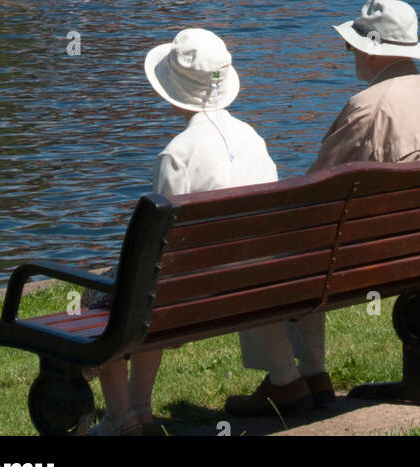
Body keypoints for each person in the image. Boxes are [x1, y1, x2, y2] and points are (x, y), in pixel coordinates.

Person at [225, 0, 420, 417]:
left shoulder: (369, 107)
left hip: (372, 259)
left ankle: (289, 378)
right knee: (313, 242)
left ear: (372, 48)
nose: (350, 52)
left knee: (279, 246)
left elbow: (314, 193)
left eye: (352, 45)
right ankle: (313, 374)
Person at [87, 29, 278, 435]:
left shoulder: (177, 153)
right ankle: (138, 408)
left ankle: (122, 414)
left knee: (103, 296)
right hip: (250, 285)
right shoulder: (254, 139)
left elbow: (160, 253)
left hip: (188, 297)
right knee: (143, 290)